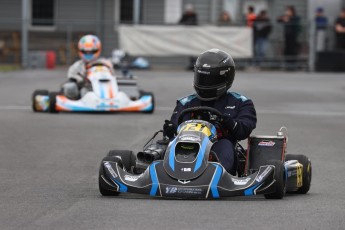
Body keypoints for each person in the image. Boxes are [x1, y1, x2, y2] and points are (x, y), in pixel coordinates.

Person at [163, 49, 257, 175]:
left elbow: (244, 131)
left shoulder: (241, 102)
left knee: (225, 145)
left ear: (225, 77)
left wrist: (229, 122)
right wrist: (171, 129)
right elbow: (175, 127)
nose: (204, 83)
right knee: (166, 145)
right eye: (201, 77)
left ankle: (218, 174)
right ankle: (165, 171)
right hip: (186, 144)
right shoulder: (185, 102)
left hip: (219, 145)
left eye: (209, 79)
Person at [63, 34, 113, 99]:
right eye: (85, 52)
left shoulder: (106, 63)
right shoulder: (76, 66)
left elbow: (112, 77)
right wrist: (82, 79)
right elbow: (72, 80)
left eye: (91, 51)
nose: (88, 54)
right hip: (85, 89)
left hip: (106, 87)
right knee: (72, 87)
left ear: (98, 50)